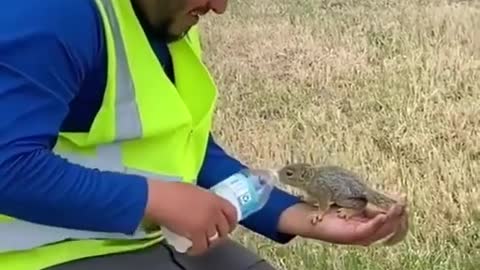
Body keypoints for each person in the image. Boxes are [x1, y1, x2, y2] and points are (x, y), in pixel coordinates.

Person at [0, 0, 408, 269]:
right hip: (39, 256)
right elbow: (7, 167)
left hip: (153, 241)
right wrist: (155, 199)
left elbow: (189, 152)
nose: (221, 6)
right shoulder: (48, 14)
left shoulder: (169, 13)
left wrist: (305, 217)